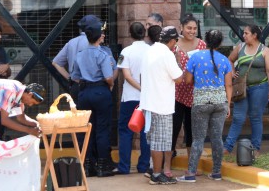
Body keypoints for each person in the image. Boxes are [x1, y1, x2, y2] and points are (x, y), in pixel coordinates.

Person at [178, 30, 233, 183]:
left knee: (198, 139)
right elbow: (229, 84)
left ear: (205, 41)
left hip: (201, 102)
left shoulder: (195, 57)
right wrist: (227, 104)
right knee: (217, 139)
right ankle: (216, 172)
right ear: (220, 43)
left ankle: (190, 173)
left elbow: (187, 80)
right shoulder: (224, 60)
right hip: (220, 102)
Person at [141, 25, 188, 185]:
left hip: (149, 103)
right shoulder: (166, 54)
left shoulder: (150, 50)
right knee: (160, 142)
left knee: (154, 139)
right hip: (161, 105)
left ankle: (152, 170)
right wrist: (179, 62)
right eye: (176, 41)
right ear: (173, 40)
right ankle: (156, 174)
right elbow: (179, 78)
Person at [72, 18, 117, 177]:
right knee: (102, 129)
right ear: (98, 36)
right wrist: (109, 84)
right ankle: (102, 164)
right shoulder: (102, 54)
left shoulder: (80, 54)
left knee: (86, 129)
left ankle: (87, 164)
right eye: (102, 33)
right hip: (100, 91)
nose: (104, 35)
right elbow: (108, 77)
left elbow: (75, 76)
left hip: (84, 93)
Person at [223, 24, 269, 155]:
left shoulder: (265, 50)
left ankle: (255, 148)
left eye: (246, 33)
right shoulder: (240, 47)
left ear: (254, 35)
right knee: (238, 118)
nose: (244, 36)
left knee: (255, 117)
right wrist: (233, 71)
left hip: (260, 88)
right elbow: (229, 60)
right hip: (242, 88)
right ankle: (227, 147)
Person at [117, 22, 151, 175]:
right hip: (147, 98)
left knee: (125, 131)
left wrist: (138, 87)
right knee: (145, 132)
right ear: (144, 33)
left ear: (130, 34)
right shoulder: (151, 51)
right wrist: (144, 89)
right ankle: (143, 166)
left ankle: (124, 167)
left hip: (129, 97)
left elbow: (126, 75)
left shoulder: (125, 51)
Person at [172, 15, 206, 159]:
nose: (192, 31)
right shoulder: (174, 45)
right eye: (188, 28)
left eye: (194, 28)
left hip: (195, 94)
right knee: (174, 127)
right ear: (181, 28)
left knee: (192, 130)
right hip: (176, 93)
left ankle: (192, 163)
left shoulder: (202, 45)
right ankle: (168, 159)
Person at [52, 15, 98, 100]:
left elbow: (56, 62)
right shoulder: (95, 42)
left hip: (75, 86)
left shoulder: (71, 42)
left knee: (78, 112)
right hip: (92, 86)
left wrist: (70, 77)